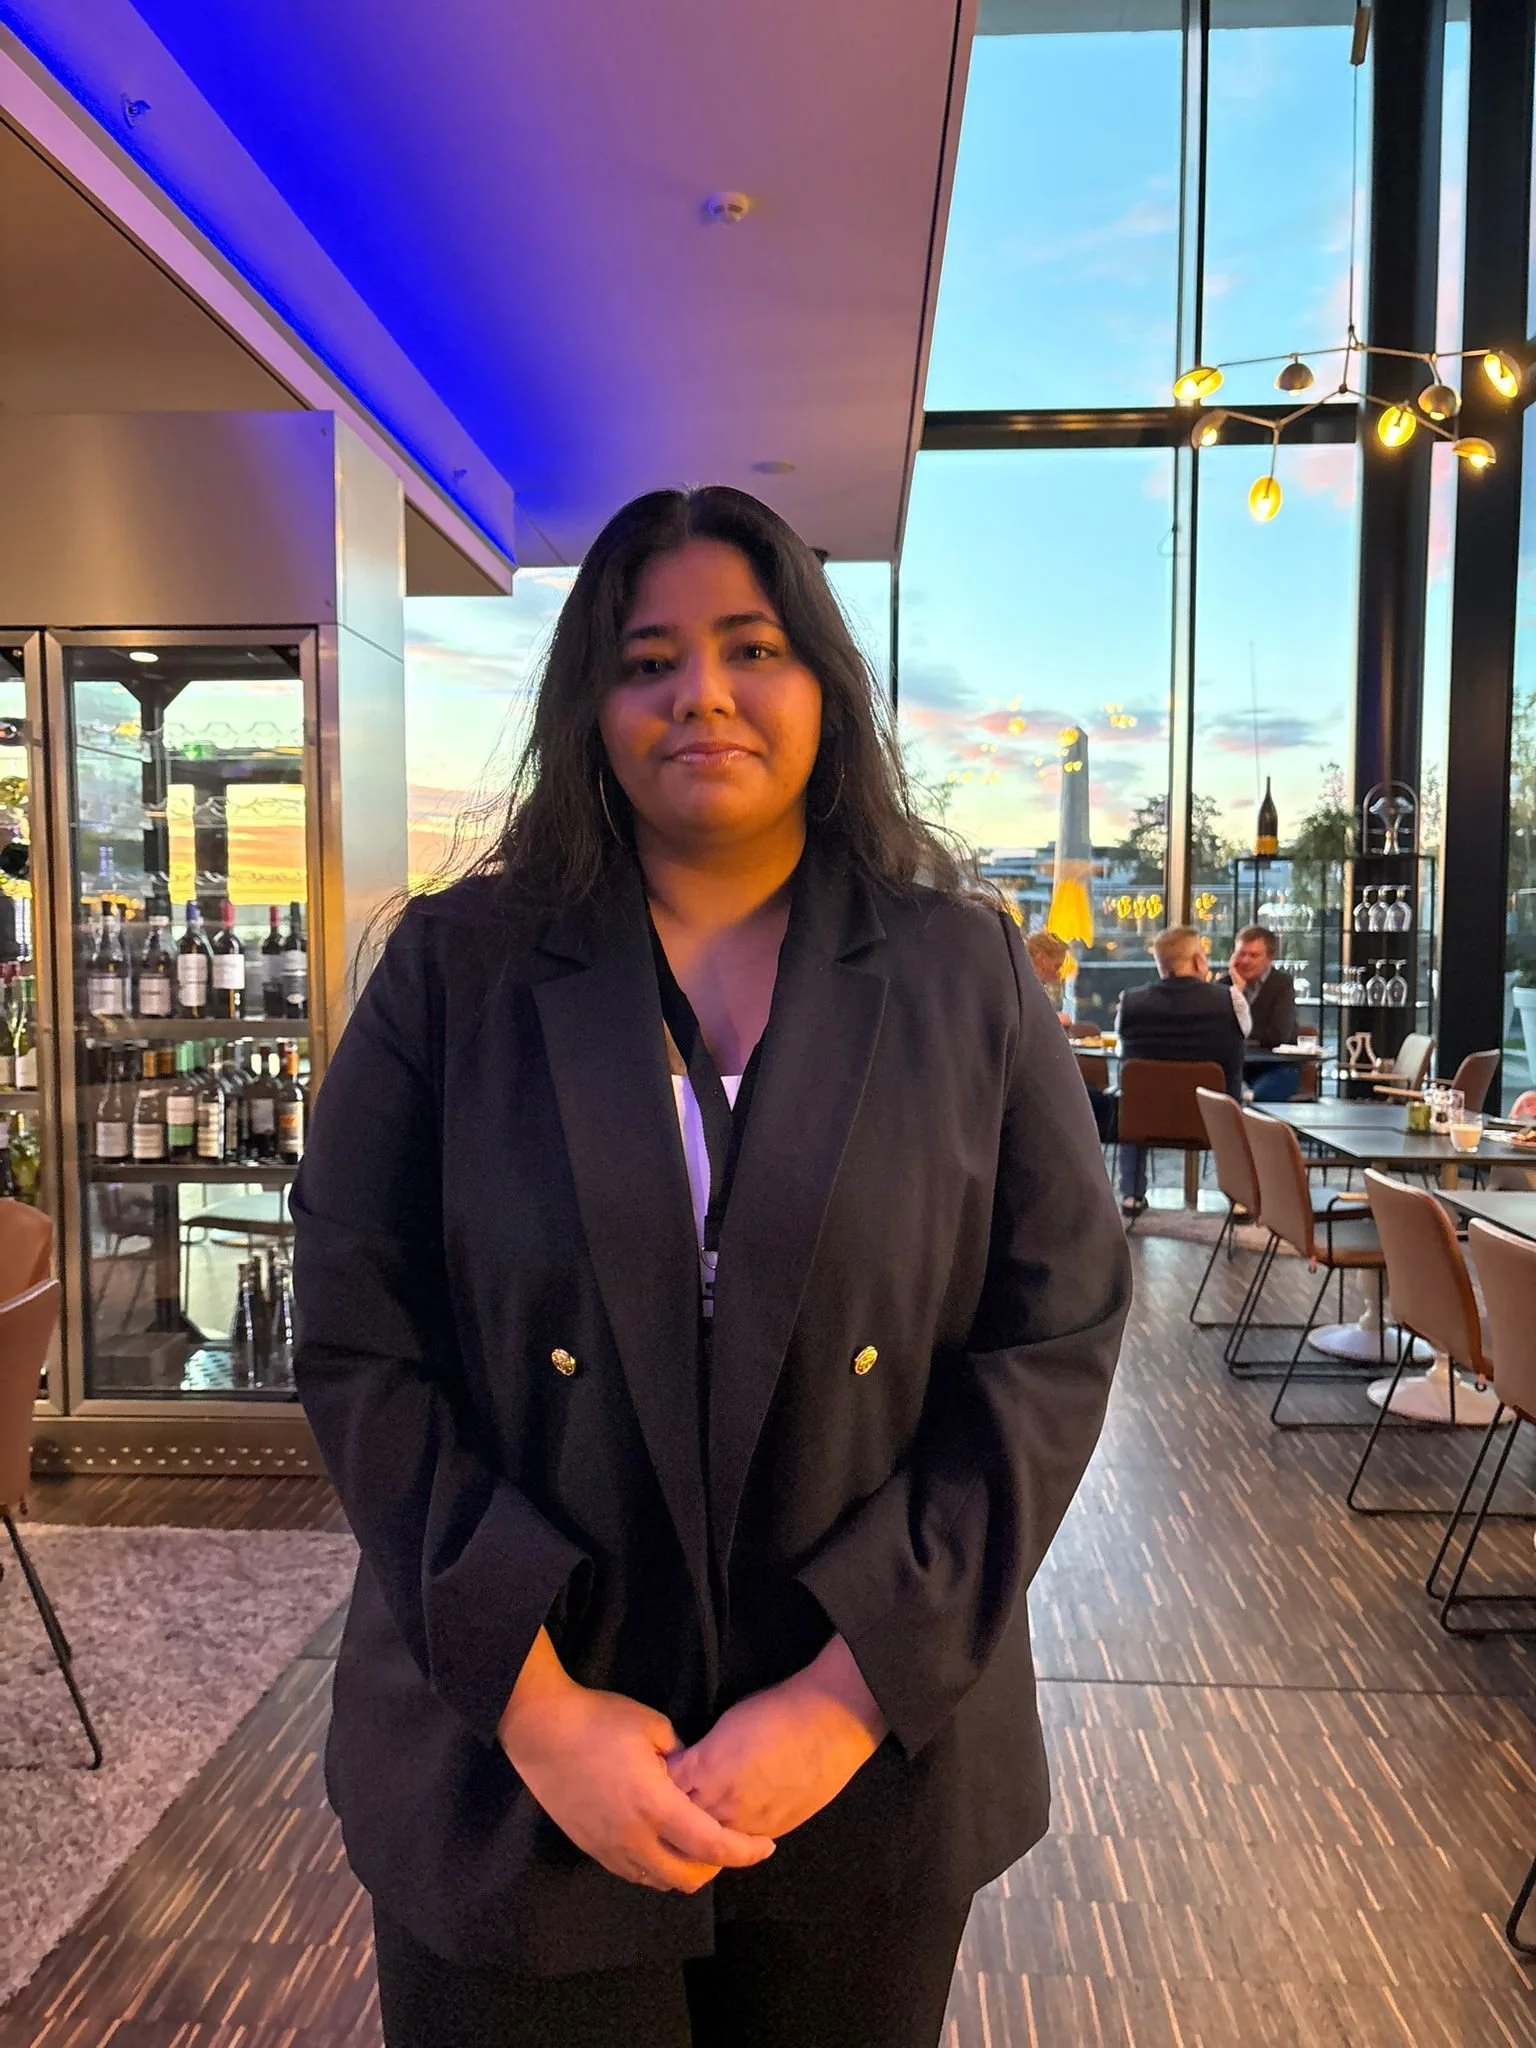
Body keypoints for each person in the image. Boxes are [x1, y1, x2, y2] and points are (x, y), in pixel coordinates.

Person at [291, 485, 1131, 2048]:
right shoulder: (453, 974)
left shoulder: (964, 976)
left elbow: (1057, 1333)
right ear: (590, 708)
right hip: (509, 1757)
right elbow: (357, 1343)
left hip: (870, 1764)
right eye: (647, 658)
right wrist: (538, 1709)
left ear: (824, 683)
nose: (705, 695)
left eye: (752, 646)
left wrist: (848, 1690)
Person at [1111, 924, 1246, 1213]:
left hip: (1147, 1119)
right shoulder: (1230, 1000)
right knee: (1236, 1093)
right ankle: (1239, 1198)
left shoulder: (1130, 1002)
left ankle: (1131, 1194)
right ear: (1199, 960)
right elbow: (1243, 1038)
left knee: (1134, 1094)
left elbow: (1123, 1050)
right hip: (1214, 1119)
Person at [1220, 924, 1300, 1104]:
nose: (1246, 961)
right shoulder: (1224, 985)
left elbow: (1279, 1034)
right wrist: (1237, 991)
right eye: (1241, 954)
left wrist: (1240, 1033)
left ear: (1270, 957)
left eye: (1253, 955)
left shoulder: (1282, 985)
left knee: (1258, 1099)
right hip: (1235, 1067)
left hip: (1275, 1067)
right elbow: (1217, 1031)